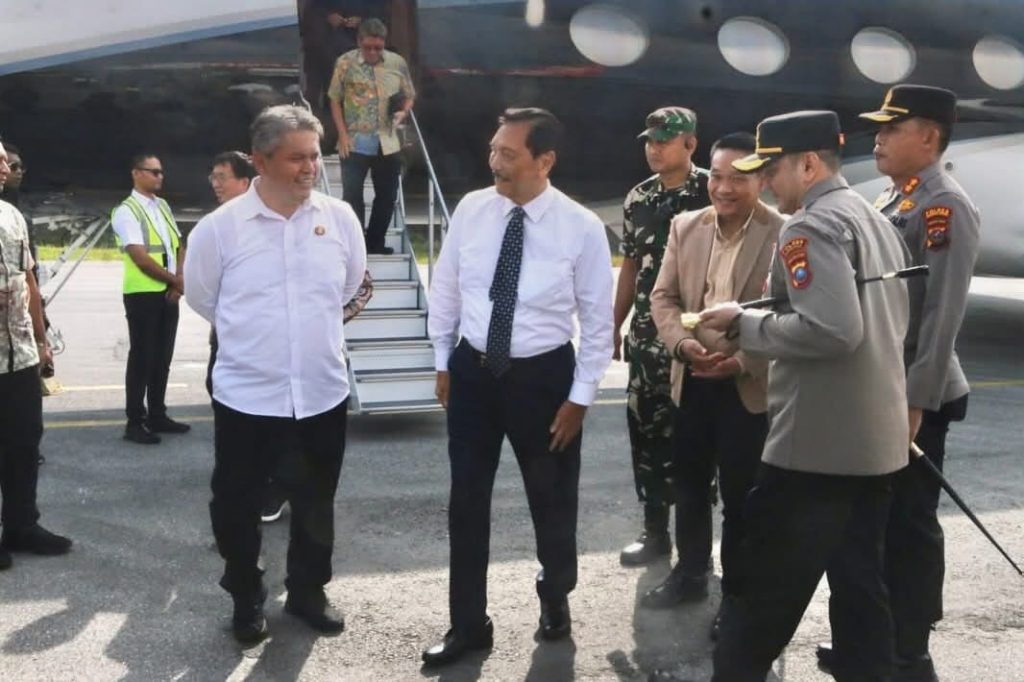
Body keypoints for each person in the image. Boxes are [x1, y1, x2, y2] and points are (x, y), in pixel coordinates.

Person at [689, 111, 911, 682]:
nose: (764, 182)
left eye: (772, 170)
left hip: (814, 451)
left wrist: (743, 324)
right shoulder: (871, 216)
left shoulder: (808, 227)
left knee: (761, 595)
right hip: (873, 446)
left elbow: (834, 330)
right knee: (862, 592)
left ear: (809, 164)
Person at [422, 108, 614, 666]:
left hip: (544, 380)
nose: (494, 162)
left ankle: (555, 592)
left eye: (508, 154)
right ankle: (468, 625)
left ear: (544, 161)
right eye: (493, 150)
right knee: (466, 502)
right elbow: (447, 287)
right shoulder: (472, 209)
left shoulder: (580, 227)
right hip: (473, 374)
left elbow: (597, 322)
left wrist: (580, 398)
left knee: (552, 499)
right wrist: (443, 360)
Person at [185, 105, 366, 644]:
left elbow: (348, 286)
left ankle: (308, 591)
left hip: (321, 393)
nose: (310, 168)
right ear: (260, 161)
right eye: (295, 158)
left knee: (316, 501)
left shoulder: (340, 219)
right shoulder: (220, 230)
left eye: (314, 156)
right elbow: (203, 298)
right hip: (247, 397)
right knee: (236, 506)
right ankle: (246, 595)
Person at [817, 85, 980, 682]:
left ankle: (910, 649)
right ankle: (873, 641)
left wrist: (916, 402)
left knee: (909, 524)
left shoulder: (944, 206)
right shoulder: (896, 196)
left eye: (892, 129)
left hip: (915, 394)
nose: (879, 139)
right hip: (882, 388)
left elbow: (942, 315)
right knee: (877, 523)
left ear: (929, 137)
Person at [645, 133, 783, 628]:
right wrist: (683, 346)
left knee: (742, 495)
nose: (724, 188)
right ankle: (690, 573)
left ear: (762, 180)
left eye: (738, 179)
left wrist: (742, 360)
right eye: (717, 176)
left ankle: (738, 595)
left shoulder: (782, 232)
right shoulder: (686, 227)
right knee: (688, 484)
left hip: (746, 385)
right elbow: (663, 299)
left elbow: (788, 314)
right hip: (692, 378)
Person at [615, 107, 710, 567]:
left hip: (695, 338)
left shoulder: (713, 191)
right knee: (647, 435)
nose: (654, 149)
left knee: (695, 440)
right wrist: (614, 324)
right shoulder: (639, 198)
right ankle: (655, 531)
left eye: (664, 140)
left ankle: (697, 546)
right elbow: (630, 266)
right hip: (646, 340)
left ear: (690, 144)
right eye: (650, 141)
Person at [0, 138, 72, 571]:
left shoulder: (12, 217)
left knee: (24, 443)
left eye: (5, 161)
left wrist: (42, 342)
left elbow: (29, 282)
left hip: (21, 353)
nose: (4, 168)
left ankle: (22, 524)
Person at [111, 153, 189, 445]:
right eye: (153, 171)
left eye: (161, 172)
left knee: (162, 358)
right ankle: (135, 422)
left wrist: (179, 280)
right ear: (136, 173)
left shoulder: (162, 206)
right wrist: (176, 281)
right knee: (142, 359)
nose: (160, 176)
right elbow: (140, 258)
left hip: (168, 292)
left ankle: (157, 414)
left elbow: (179, 244)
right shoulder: (126, 211)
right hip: (142, 293)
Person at [327, 17, 415, 255]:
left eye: (378, 47)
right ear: (359, 42)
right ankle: (355, 246)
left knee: (387, 196)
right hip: (355, 140)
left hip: (388, 140)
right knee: (352, 196)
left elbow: (410, 94)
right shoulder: (345, 63)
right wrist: (342, 134)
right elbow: (334, 98)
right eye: (368, 48)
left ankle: (375, 243)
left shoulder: (396, 63)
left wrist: (403, 112)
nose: (373, 52)